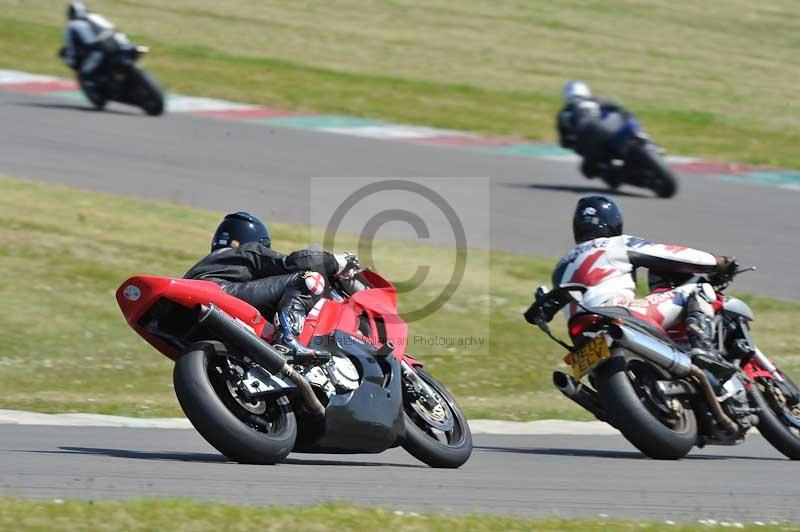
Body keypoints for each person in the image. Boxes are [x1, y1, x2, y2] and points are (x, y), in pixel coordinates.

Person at [551, 195, 738, 382]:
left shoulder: (561, 267)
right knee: (699, 289)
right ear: (613, 222)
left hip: (581, 332)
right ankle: (704, 351)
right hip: (617, 312)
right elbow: (671, 255)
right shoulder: (616, 244)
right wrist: (717, 262)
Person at [183, 212, 359, 359]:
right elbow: (292, 263)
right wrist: (335, 261)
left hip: (192, 323)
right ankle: (288, 340)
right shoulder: (247, 251)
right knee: (308, 278)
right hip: (222, 294)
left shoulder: (210, 265)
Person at [556, 80, 636, 181]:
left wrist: (576, 143)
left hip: (590, 142)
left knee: (588, 171)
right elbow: (619, 108)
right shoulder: (595, 101)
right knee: (588, 170)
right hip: (610, 131)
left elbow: (565, 141)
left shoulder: (565, 112)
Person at [62, 2, 117, 78]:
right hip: (84, 54)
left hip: (90, 49)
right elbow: (89, 42)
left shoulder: (87, 21)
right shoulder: (76, 24)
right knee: (87, 70)